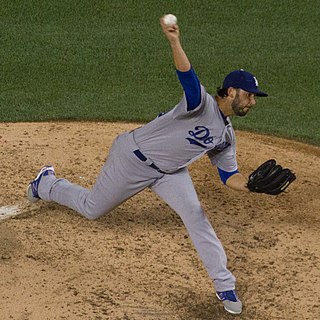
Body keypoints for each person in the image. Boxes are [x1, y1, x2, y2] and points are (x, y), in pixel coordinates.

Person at [27, 17, 268, 315]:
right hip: (132, 158)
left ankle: (224, 285)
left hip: (169, 173)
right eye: (249, 96)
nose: (252, 103)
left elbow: (228, 174)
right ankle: (47, 184)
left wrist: (249, 185)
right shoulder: (201, 104)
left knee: (197, 217)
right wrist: (174, 41)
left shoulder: (226, 136)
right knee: (92, 209)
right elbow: (188, 76)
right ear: (231, 91)